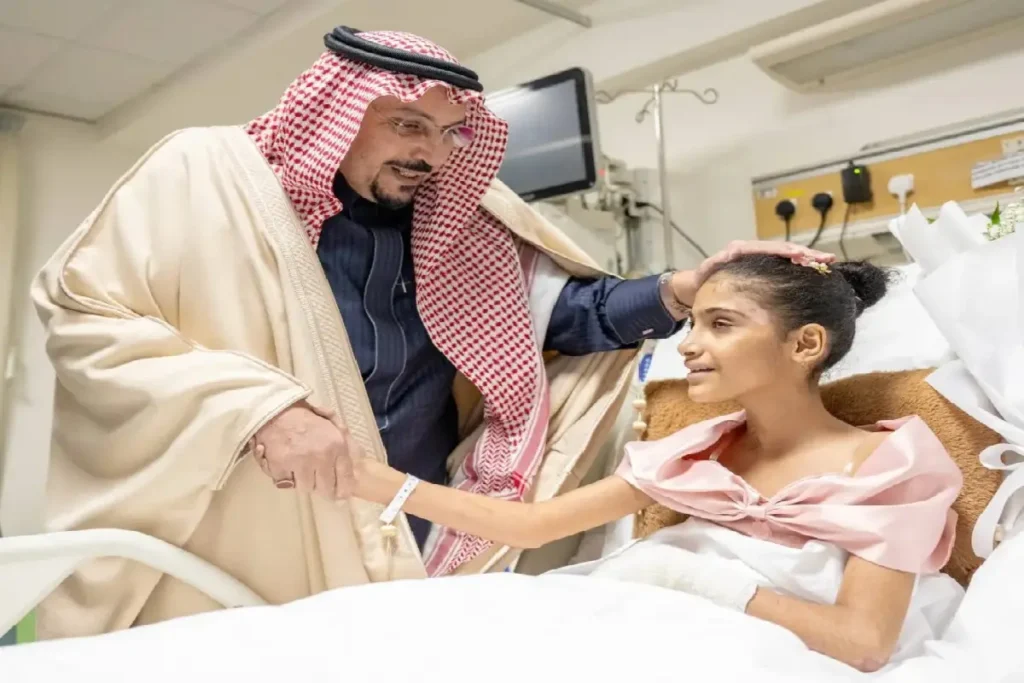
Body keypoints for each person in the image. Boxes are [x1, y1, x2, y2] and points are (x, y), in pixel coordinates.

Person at [30, 27, 830, 638]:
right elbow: (85, 315)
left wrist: (678, 290)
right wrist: (257, 408)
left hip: (407, 531)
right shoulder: (203, 178)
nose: (433, 154)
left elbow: (562, 319)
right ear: (336, 112)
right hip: (250, 523)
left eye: (449, 134)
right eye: (408, 125)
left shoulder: (462, 221)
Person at [344, 254, 964, 673]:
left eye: (721, 325)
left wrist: (681, 574)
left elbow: (862, 644)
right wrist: (380, 483)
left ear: (805, 344)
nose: (688, 345)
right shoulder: (695, 451)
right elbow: (532, 527)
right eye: (692, 325)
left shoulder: (887, 465)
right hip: (658, 628)